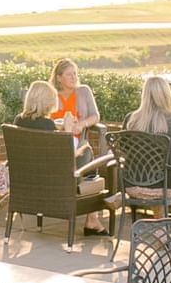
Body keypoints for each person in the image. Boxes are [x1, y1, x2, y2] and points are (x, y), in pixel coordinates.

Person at [11, 79, 105, 233]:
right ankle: (92, 219)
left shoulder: (18, 120)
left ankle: (93, 219)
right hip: (55, 181)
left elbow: (41, 133)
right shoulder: (47, 125)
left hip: (30, 179)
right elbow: (67, 156)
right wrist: (67, 129)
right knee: (87, 152)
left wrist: (57, 127)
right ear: (47, 102)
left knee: (87, 159)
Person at [121, 75, 171, 202]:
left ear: (144, 95)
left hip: (134, 186)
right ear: (168, 95)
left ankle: (156, 219)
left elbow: (123, 152)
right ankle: (160, 219)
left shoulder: (131, 120)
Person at [49, 59, 102, 151]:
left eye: (75, 74)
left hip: (77, 140)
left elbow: (95, 116)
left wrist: (82, 124)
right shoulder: (51, 94)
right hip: (53, 140)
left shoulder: (84, 91)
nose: (73, 77)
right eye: (69, 74)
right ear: (59, 78)